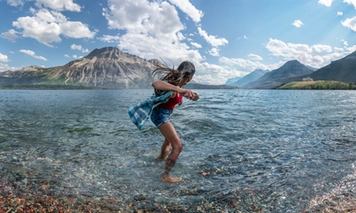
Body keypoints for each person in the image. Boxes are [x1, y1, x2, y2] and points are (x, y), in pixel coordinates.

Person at [151, 61, 199, 183]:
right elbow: (155, 83)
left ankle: (160, 158)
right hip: (160, 115)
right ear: (189, 76)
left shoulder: (179, 86)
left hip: (164, 115)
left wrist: (191, 96)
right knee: (178, 146)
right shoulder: (172, 84)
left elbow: (174, 97)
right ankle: (165, 176)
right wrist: (180, 90)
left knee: (168, 141)